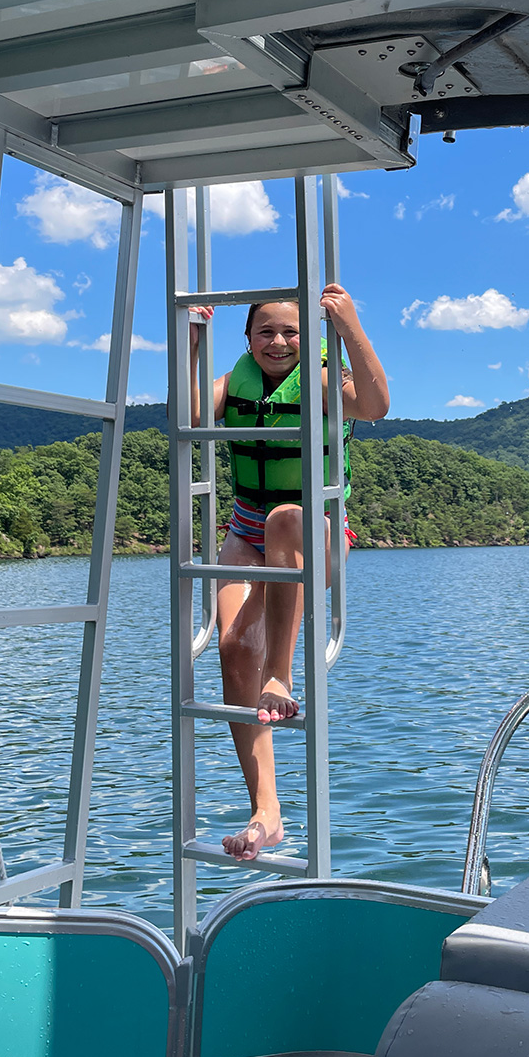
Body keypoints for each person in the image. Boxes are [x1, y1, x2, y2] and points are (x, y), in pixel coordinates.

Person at [190, 285, 389, 860]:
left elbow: (375, 405)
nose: (278, 341)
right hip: (244, 528)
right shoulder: (238, 377)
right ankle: (267, 812)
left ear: (310, 338)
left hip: (315, 531)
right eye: (266, 332)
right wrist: (195, 346)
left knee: (286, 519)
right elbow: (196, 415)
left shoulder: (326, 380)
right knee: (231, 651)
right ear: (249, 337)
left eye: (292, 332)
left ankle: (282, 673)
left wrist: (348, 324)